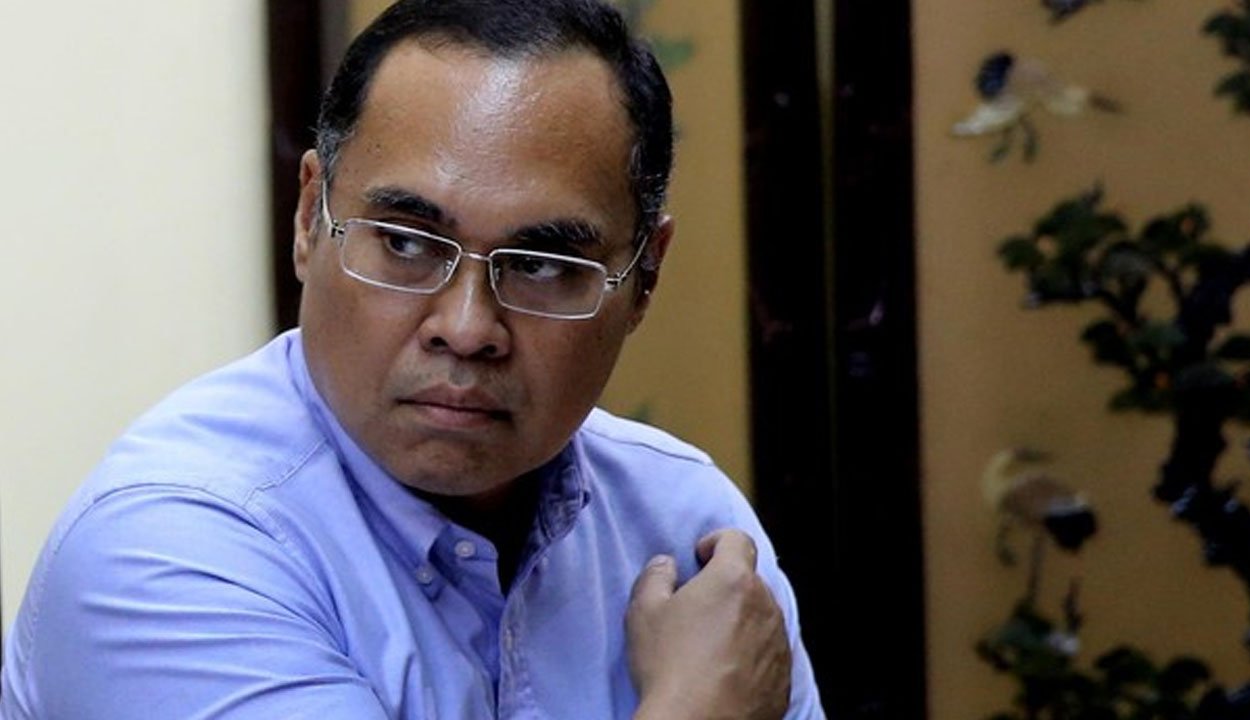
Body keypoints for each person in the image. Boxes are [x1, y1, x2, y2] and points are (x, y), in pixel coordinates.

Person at [0, 0, 824, 717]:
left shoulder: (683, 525)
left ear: (644, 278)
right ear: (309, 219)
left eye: (541, 265)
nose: (466, 329)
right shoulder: (165, 548)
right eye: (404, 243)